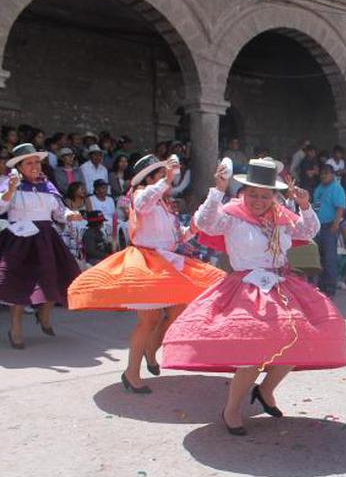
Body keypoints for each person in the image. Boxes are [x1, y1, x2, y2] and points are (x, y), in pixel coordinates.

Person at [162, 159, 346, 434]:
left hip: (281, 285)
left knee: (298, 341)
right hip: (247, 289)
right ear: (244, 191)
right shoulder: (232, 215)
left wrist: (305, 205)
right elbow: (204, 223)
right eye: (253, 194)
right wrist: (218, 189)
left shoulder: (282, 216)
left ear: (274, 195)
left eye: (265, 195)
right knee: (252, 354)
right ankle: (232, 409)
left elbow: (309, 232)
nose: (259, 200)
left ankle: (265, 390)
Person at [68, 155, 225, 392]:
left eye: (166, 176)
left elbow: (183, 232)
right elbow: (142, 205)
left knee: (178, 311)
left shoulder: (164, 205)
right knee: (148, 320)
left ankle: (151, 350)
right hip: (146, 264)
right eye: (161, 176)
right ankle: (132, 373)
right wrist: (165, 181)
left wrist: (217, 192)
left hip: (170, 263)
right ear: (149, 179)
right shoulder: (140, 196)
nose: (167, 181)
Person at [0, 144, 83, 348]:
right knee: (18, 282)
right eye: (29, 162)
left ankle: (44, 313)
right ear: (19, 167)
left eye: (37, 161)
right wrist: (10, 191)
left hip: (46, 236)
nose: (35, 166)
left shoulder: (48, 186)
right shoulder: (8, 183)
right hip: (20, 237)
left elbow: (58, 211)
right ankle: (15, 328)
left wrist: (69, 215)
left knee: (63, 274)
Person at [312, 166, 346, 297]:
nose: (323, 176)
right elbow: (316, 206)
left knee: (329, 259)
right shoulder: (319, 188)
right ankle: (320, 287)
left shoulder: (336, 188)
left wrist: (336, 224)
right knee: (318, 258)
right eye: (321, 174)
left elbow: (340, 208)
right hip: (317, 227)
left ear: (332, 175)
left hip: (330, 226)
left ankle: (330, 289)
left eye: (326, 174)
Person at [88, 179, 116, 249]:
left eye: (106, 187)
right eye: (103, 188)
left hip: (111, 222)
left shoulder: (110, 199)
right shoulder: (90, 199)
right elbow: (90, 214)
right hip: (98, 222)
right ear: (96, 190)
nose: (105, 189)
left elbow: (114, 215)